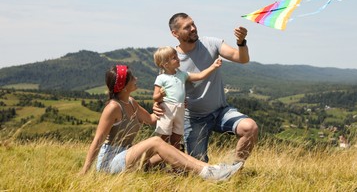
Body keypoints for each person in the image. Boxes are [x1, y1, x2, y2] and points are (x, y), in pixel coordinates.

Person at [81, 64, 243, 181]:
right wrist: (85, 171)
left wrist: (171, 105)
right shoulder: (112, 108)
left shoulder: (130, 102)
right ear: (123, 86)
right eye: (132, 78)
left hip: (127, 157)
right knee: (156, 142)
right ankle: (209, 174)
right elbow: (98, 141)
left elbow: (151, 119)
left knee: (174, 148)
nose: (136, 79)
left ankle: (212, 169)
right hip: (110, 164)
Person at [154, 12, 259, 163]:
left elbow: (242, 59)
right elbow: (163, 89)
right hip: (194, 118)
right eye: (187, 27)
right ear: (175, 33)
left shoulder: (211, 43)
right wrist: (156, 104)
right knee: (197, 165)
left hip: (221, 111)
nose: (193, 28)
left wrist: (241, 42)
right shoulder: (172, 59)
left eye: (193, 24)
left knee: (250, 128)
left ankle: (234, 170)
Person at [153, 46, 222, 150]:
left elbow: (200, 76)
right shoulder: (161, 78)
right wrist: (161, 95)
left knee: (176, 137)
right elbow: (155, 97)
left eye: (176, 56)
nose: (178, 59)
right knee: (164, 137)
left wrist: (213, 66)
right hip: (166, 109)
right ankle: (159, 160)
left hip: (180, 109)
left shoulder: (182, 75)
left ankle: (175, 163)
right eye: (174, 58)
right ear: (165, 64)